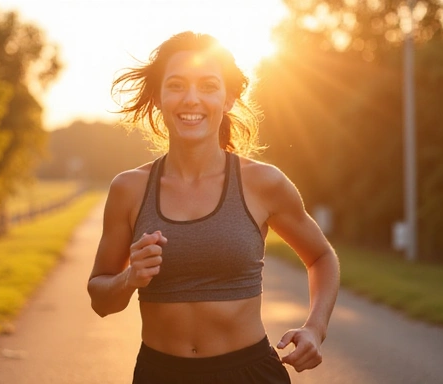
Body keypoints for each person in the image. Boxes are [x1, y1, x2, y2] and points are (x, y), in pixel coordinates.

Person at [87, 31, 340, 383]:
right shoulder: (129, 189)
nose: (191, 99)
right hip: (160, 375)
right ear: (158, 97)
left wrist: (316, 328)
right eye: (176, 85)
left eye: (208, 86)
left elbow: (321, 257)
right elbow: (101, 301)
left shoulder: (264, 184)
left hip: (249, 374)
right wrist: (130, 278)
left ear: (229, 98)